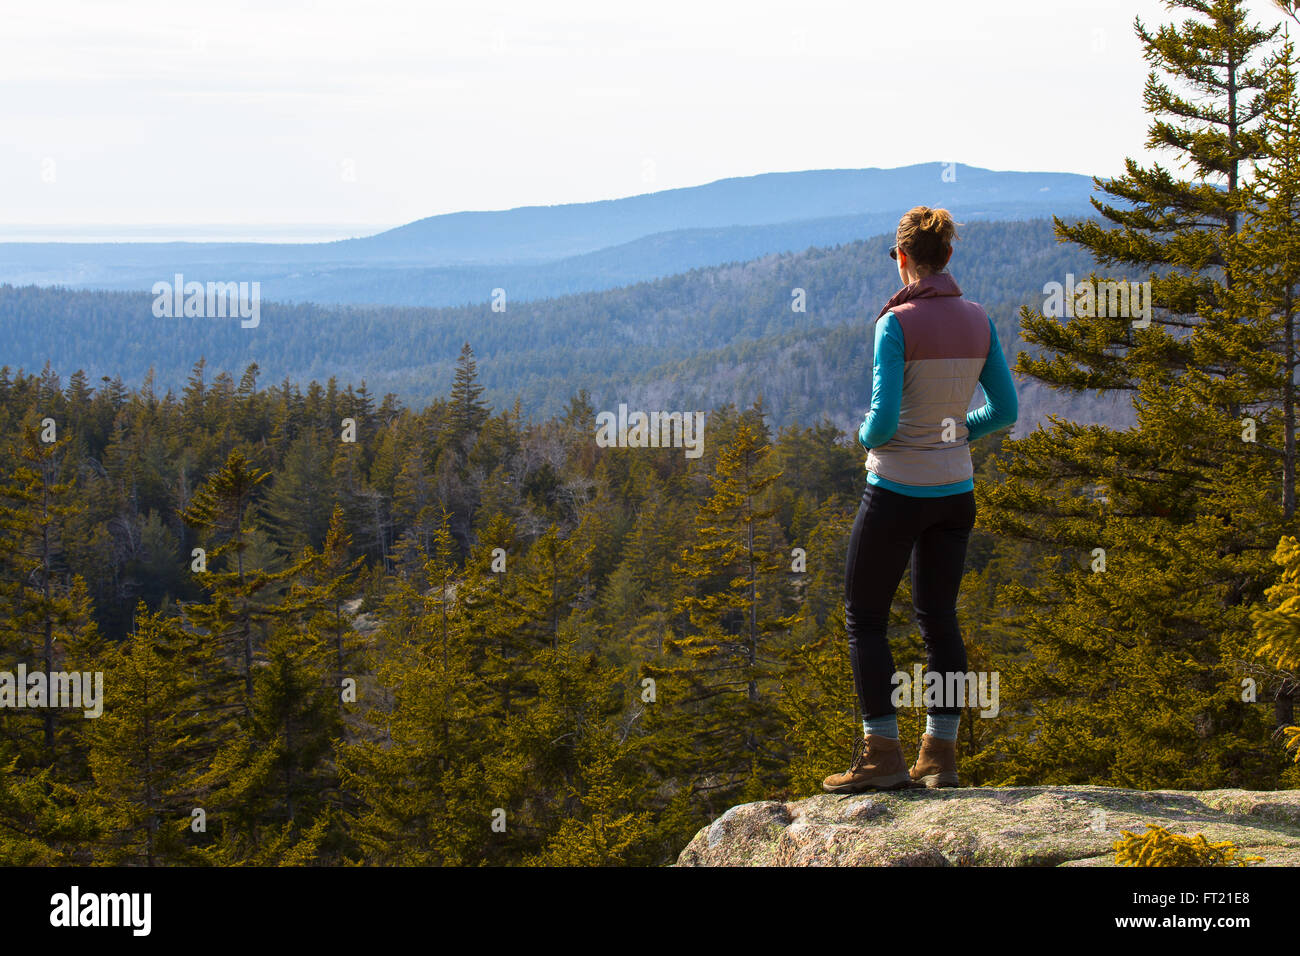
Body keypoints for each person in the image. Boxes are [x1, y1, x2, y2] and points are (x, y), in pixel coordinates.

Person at [822, 206, 1018, 793]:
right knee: (939, 618)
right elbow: (1005, 412)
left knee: (865, 619)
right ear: (949, 256)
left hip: (896, 492)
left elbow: (880, 427)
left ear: (902, 258)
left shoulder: (895, 324)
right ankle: (941, 754)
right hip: (955, 493)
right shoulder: (980, 320)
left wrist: (861, 434)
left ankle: (882, 754)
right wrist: (959, 430)